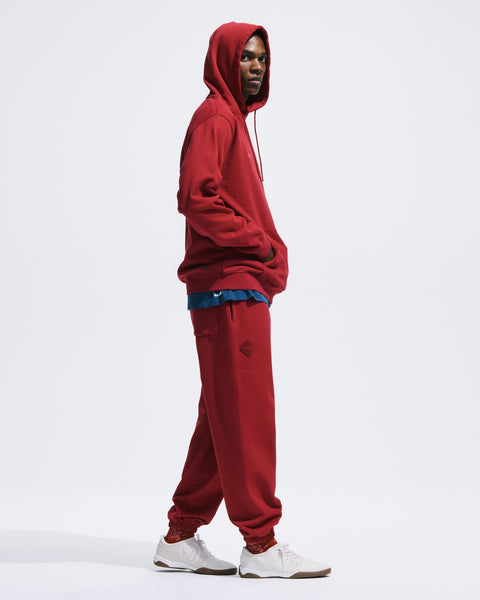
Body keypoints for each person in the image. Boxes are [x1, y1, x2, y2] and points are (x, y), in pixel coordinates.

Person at [153, 21, 331, 579]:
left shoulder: (232, 121)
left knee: (222, 415)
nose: (256, 67)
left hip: (234, 284)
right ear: (223, 60)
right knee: (247, 414)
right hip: (227, 285)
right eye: (246, 57)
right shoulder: (215, 117)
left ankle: (180, 536)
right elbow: (195, 197)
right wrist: (259, 242)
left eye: (262, 58)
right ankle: (261, 543)